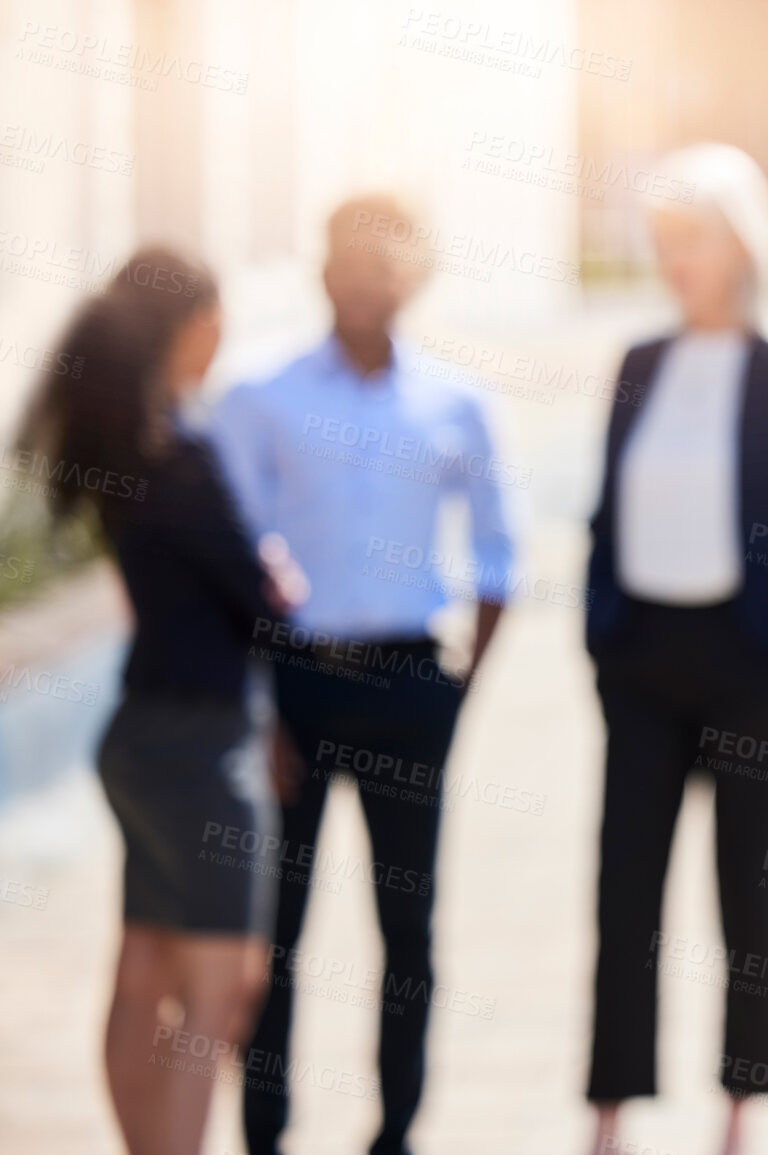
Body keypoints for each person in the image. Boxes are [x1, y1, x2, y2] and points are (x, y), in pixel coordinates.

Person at [209, 195, 517, 1155]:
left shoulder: (457, 401)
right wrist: (256, 706)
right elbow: (228, 564)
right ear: (321, 269)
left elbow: (502, 555)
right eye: (349, 259)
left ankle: (396, 1133)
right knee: (276, 928)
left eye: (387, 263)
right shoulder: (262, 394)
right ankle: (264, 1133)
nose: (366, 280)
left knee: (408, 929)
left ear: (413, 275)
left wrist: (459, 691)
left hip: (409, 686)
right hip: (294, 688)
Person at [15, 248, 304, 1154]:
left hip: (137, 738)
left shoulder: (117, 453)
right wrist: (281, 583)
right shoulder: (183, 459)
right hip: (201, 747)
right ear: (192, 328)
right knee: (220, 986)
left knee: (145, 968)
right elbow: (261, 614)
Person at [582, 143, 768, 1155]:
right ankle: (608, 1116)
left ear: (738, 243)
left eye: (689, 240)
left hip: (752, 669)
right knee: (623, 893)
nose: (673, 259)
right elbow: (607, 511)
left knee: (750, 892)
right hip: (640, 660)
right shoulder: (640, 363)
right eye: (662, 242)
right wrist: (598, 641)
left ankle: (738, 1118)